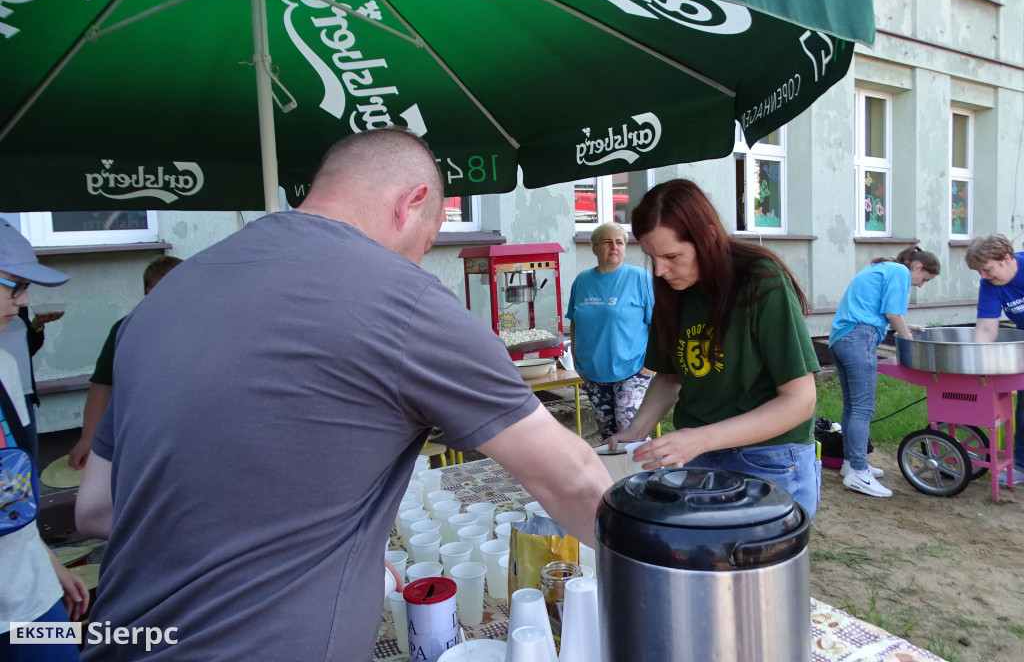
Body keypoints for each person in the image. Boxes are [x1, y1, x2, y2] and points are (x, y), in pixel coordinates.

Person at [74, 128, 612, 660]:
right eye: (425, 244)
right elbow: (572, 478)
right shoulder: (405, 301)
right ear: (412, 203)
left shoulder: (156, 305)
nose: (417, 263)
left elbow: (96, 508)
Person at [606, 179, 822, 518]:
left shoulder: (760, 280)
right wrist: (636, 430)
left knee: (760, 568)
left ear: (706, 236)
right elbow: (669, 376)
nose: (660, 271)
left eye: (672, 256)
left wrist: (701, 439)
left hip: (767, 457)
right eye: (652, 257)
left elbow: (800, 401)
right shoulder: (671, 288)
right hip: (699, 456)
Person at [0, 221, 89, 660]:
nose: (24, 301)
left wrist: (45, 561)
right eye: (14, 286)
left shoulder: (5, 365)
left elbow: (14, 489)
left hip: (33, 602)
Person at [829, 246, 940, 498]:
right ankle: (858, 472)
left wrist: (905, 326)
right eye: (924, 280)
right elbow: (892, 313)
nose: (921, 286)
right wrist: (908, 339)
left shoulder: (880, 267)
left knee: (852, 406)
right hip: (858, 338)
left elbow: (873, 311)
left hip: (841, 338)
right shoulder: (900, 271)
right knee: (863, 408)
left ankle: (851, 463)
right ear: (917, 267)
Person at [67, 256, 182, 469]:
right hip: (142, 438)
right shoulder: (127, 329)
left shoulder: (206, 325)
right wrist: (88, 439)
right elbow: (102, 387)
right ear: (150, 291)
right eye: (173, 286)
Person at [566, 222, 654, 440]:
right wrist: (577, 359)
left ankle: (642, 474)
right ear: (594, 248)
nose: (614, 247)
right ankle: (614, 475)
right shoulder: (582, 281)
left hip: (633, 368)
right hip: (594, 372)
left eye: (619, 242)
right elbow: (575, 321)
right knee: (608, 436)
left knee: (630, 432)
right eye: (607, 242)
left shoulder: (639, 278)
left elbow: (659, 323)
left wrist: (650, 365)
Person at [965, 233, 1024, 485]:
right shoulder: (990, 286)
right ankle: (1021, 465)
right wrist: (979, 366)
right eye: (980, 271)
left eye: (987, 270)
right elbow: (987, 330)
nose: (984, 276)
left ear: (1007, 258)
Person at [0, 305, 63, 462]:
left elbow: (26, 349)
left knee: (26, 459)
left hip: (22, 392)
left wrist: (36, 325)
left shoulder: (18, 307)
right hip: (3, 395)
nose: (23, 297)